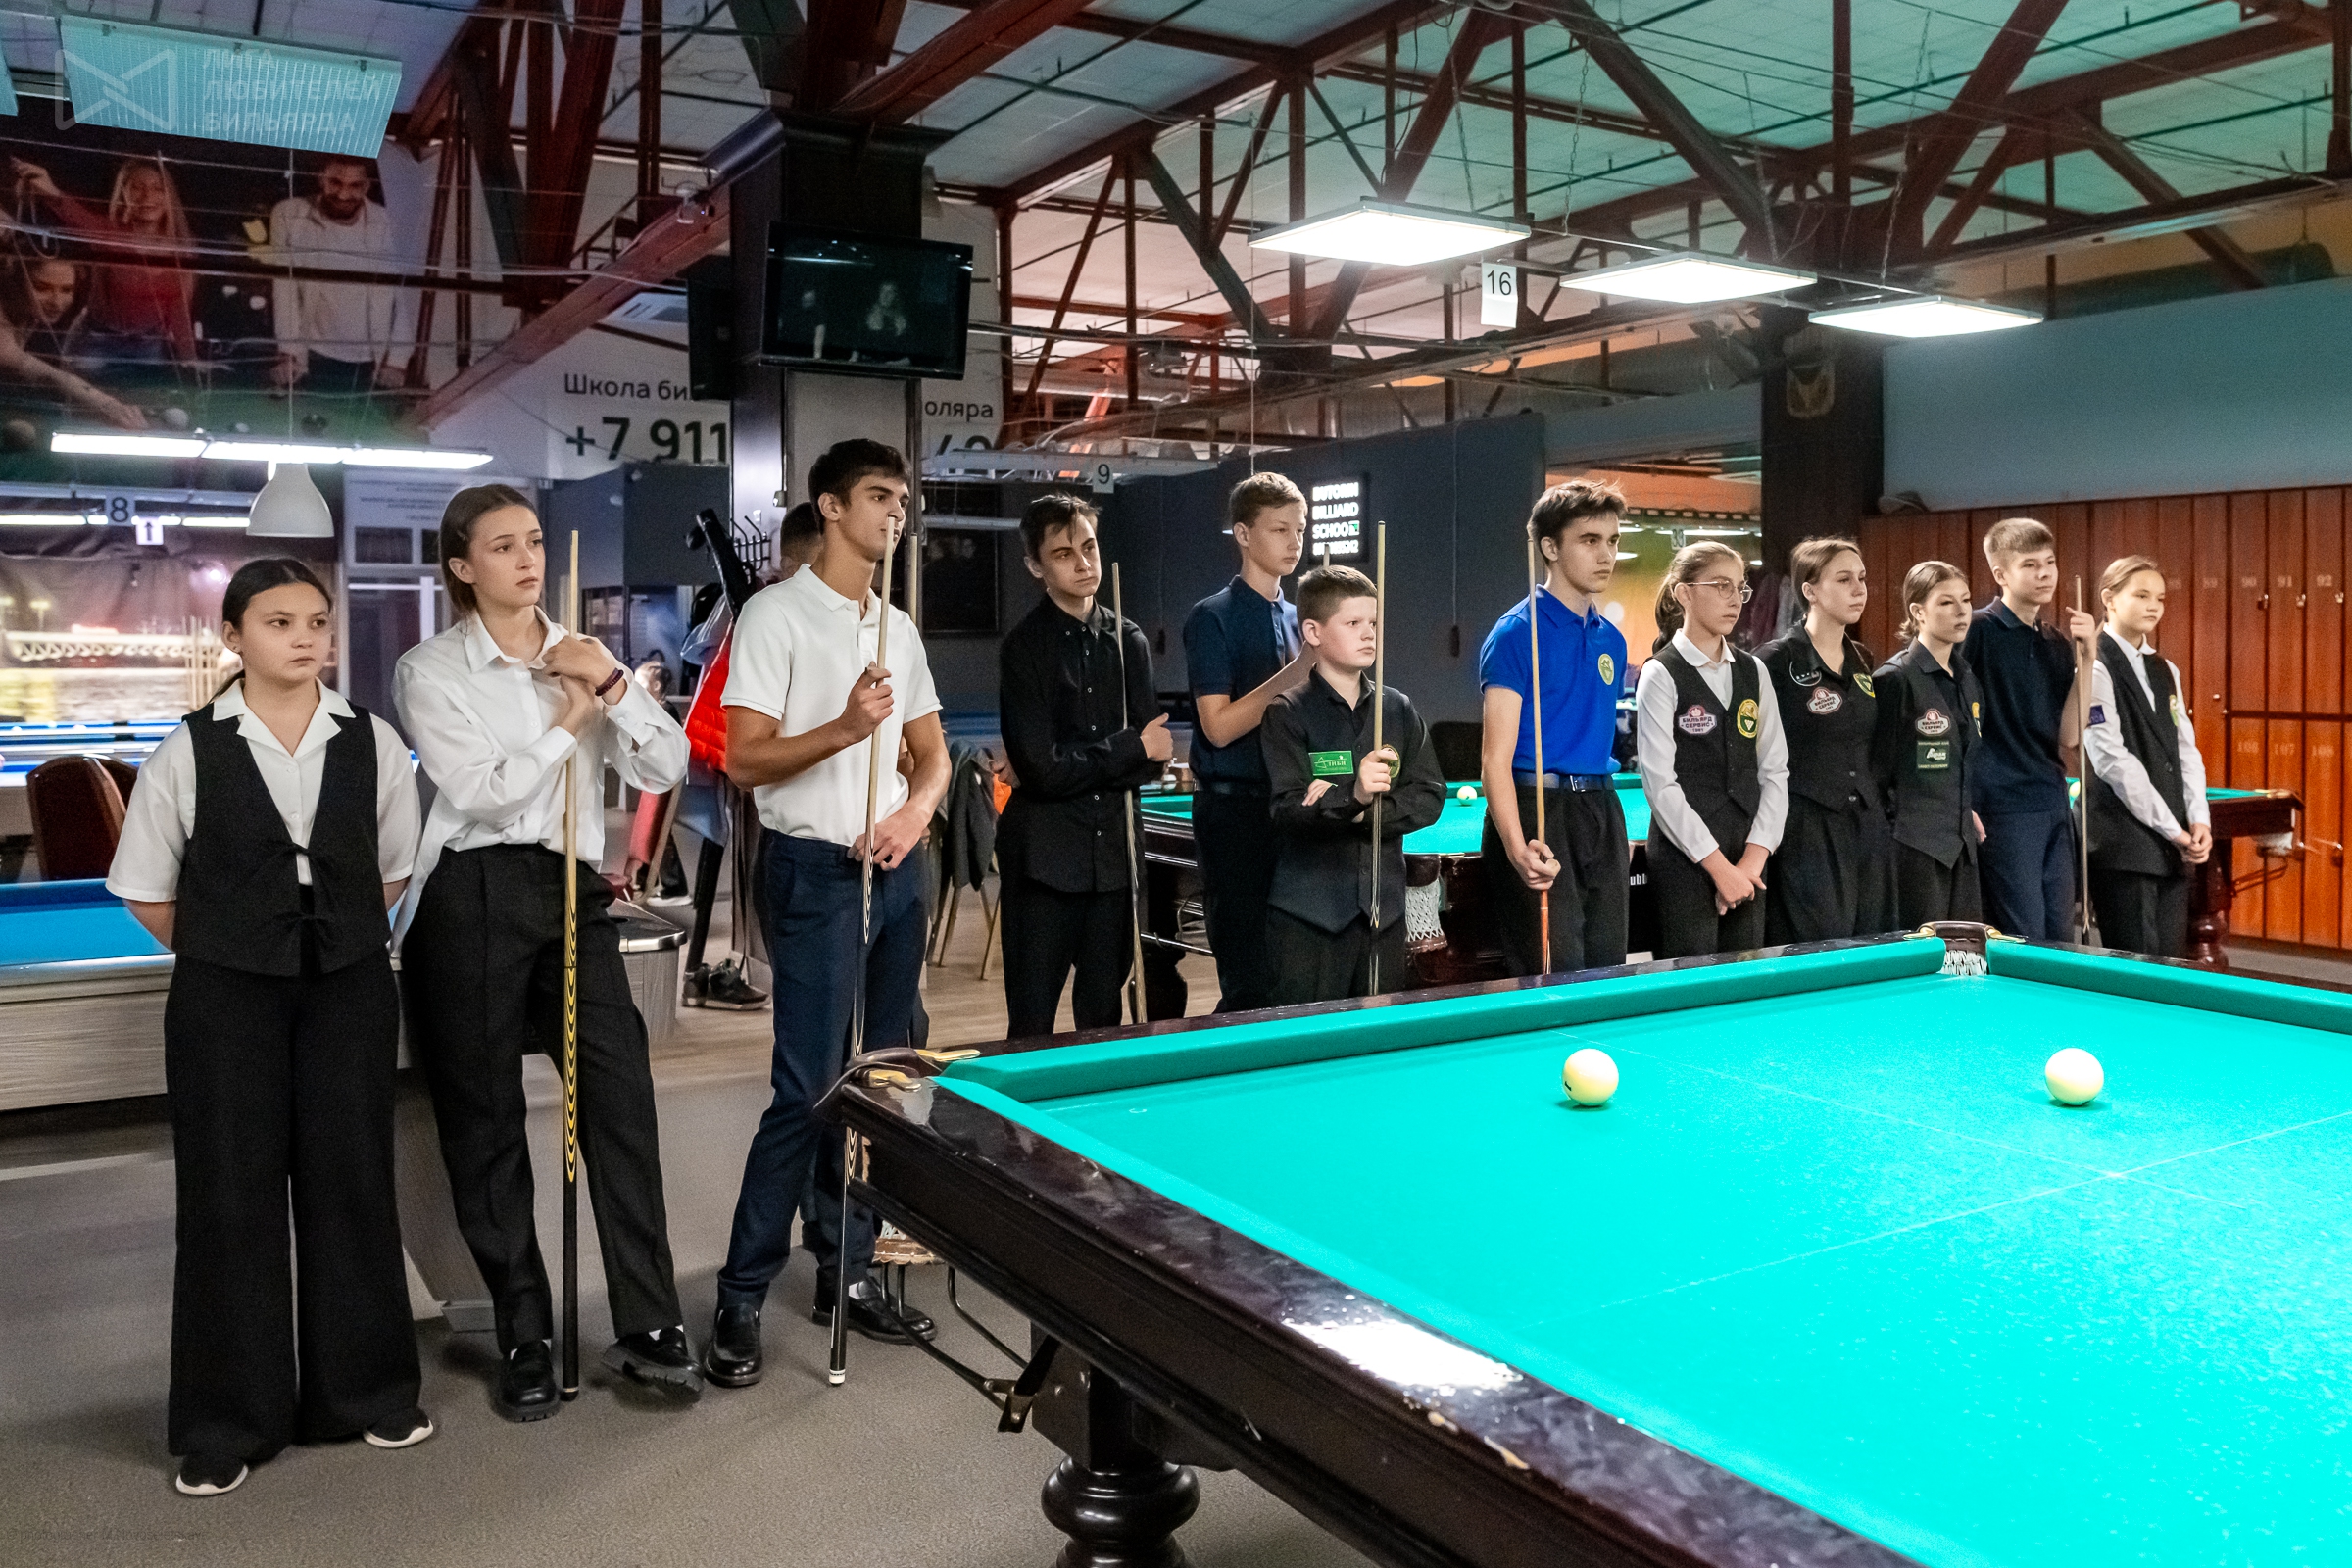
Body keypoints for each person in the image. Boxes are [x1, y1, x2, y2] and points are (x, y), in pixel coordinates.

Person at [106, 559, 428, 1496]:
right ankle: (227, 1420)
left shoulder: (370, 737)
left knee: (352, 1182)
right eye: (279, 622)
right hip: (224, 997)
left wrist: (323, 939)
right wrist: (238, 943)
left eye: (316, 622)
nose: (304, 638)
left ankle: (363, 1393)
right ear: (234, 637)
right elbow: (147, 891)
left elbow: (393, 869)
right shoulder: (189, 748)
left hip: (349, 988)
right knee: (227, 1197)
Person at [394, 484, 702, 1421]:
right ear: (462, 566)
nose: (526, 559)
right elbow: (483, 792)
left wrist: (609, 684)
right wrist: (569, 721)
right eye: (502, 546)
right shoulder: (429, 670)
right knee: (484, 1120)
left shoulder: (585, 655)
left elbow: (667, 765)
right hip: (467, 893)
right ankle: (524, 1330)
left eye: (532, 541)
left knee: (620, 1096)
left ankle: (648, 1320)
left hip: (569, 888)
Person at [708, 439, 950, 1389]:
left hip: (893, 866)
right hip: (814, 871)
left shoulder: (898, 626)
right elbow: (745, 759)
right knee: (808, 1087)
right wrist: (847, 728)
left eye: (903, 499)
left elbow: (933, 757)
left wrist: (914, 813)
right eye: (880, 496)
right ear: (833, 506)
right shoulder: (774, 615)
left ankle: (846, 1270)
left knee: (882, 1079)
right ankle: (739, 1292)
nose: (896, 513)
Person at [996, 492, 1169, 1037]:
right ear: (1035, 567)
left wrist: (1128, 754)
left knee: (1103, 1020)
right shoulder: (1023, 648)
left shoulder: (1130, 640)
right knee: (1031, 1024)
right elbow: (1042, 771)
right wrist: (1129, 749)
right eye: (1063, 553)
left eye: (1089, 547)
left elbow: (1153, 761)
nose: (1083, 563)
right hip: (1043, 863)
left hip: (1113, 861)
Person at [1261, 564, 1443, 1004]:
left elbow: (1429, 796)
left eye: (1373, 623)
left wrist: (1354, 810)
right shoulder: (1287, 712)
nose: (1369, 634)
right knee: (1311, 1040)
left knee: (1381, 1038)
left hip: (1385, 917)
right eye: (1354, 623)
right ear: (1313, 632)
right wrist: (1354, 795)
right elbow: (1287, 810)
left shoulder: (1398, 708)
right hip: (1310, 921)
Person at [1477, 479, 1632, 976]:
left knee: (1608, 968)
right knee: (1553, 971)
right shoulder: (1516, 633)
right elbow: (1494, 760)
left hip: (1601, 808)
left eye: (1612, 541)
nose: (1606, 554)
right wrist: (1515, 845)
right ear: (1550, 547)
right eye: (1589, 540)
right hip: (1540, 808)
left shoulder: (1612, 640)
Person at [1182, 472, 1309, 1011]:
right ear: (1242, 534)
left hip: (1293, 806)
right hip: (1234, 813)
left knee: (1293, 969)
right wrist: (1300, 670)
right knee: (1247, 975)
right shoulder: (1211, 617)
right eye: (1279, 529)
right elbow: (1218, 726)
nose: (1294, 542)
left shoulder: (1300, 618)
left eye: (1300, 529)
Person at [1635, 541, 1789, 959]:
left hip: (1749, 854)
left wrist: (1752, 862)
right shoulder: (1661, 673)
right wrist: (1721, 870)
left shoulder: (1754, 670)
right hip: (1685, 859)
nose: (1735, 599)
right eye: (1721, 586)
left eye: (1740, 588)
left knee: (1746, 983)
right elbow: (1660, 785)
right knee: (1692, 982)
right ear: (1684, 593)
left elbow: (1775, 771)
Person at [1963, 517, 2097, 940]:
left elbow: (2070, 735)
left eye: (2050, 562)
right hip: (2003, 806)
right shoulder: (1977, 630)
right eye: (2030, 565)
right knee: (2025, 935)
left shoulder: (2055, 641)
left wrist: (2087, 659)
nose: (2045, 574)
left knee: (2060, 935)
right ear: (2001, 574)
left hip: (2051, 799)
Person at [1759, 538, 1892, 944]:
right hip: (1806, 828)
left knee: (1873, 946)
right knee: (1822, 947)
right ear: (1811, 590)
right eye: (1844, 579)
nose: (1859, 589)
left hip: (1866, 826)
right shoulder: (1774, 661)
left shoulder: (1863, 659)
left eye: (1862, 579)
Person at [2083, 555, 2212, 956]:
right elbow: (2111, 761)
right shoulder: (2095, 664)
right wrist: (2174, 830)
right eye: (2141, 595)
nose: (2153, 606)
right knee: (2138, 969)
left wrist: (2199, 819)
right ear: (2109, 599)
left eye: (2159, 598)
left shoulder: (2165, 669)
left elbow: (2185, 749)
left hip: (2172, 844)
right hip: (2124, 844)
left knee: (2172, 963)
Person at [1874, 562, 1988, 926]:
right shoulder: (1895, 679)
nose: (1961, 611)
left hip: (1961, 845)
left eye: (1966, 600)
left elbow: (1959, 761)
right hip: (1912, 848)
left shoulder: (1966, 677)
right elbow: (1877, 774)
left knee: (1965, 951)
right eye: (1946, 602)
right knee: (1922, 952)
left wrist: (1960, 810)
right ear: (1918, 612)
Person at [11, 156, 197, 371]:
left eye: (157, 188)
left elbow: (179, 311)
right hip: (95, 343)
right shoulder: (108, 233)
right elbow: (76, 216)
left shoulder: (183, 248)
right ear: (123, 192)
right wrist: (49, 189)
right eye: (136, 187)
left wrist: (190, 360)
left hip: (148, 347)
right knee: (77, 392)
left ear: (169, 195)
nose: (147, 196)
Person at [268, 155, 408, 395]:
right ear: (321, 180)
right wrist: (288, 353)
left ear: (367, 186)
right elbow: (284, 289)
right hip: (312, 356)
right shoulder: (288, 214)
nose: (343, 195)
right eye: (335, 183)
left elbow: (406, 297)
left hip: (376, 363)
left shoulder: (389, 223)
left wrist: (397, 361)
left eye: (355, 186)